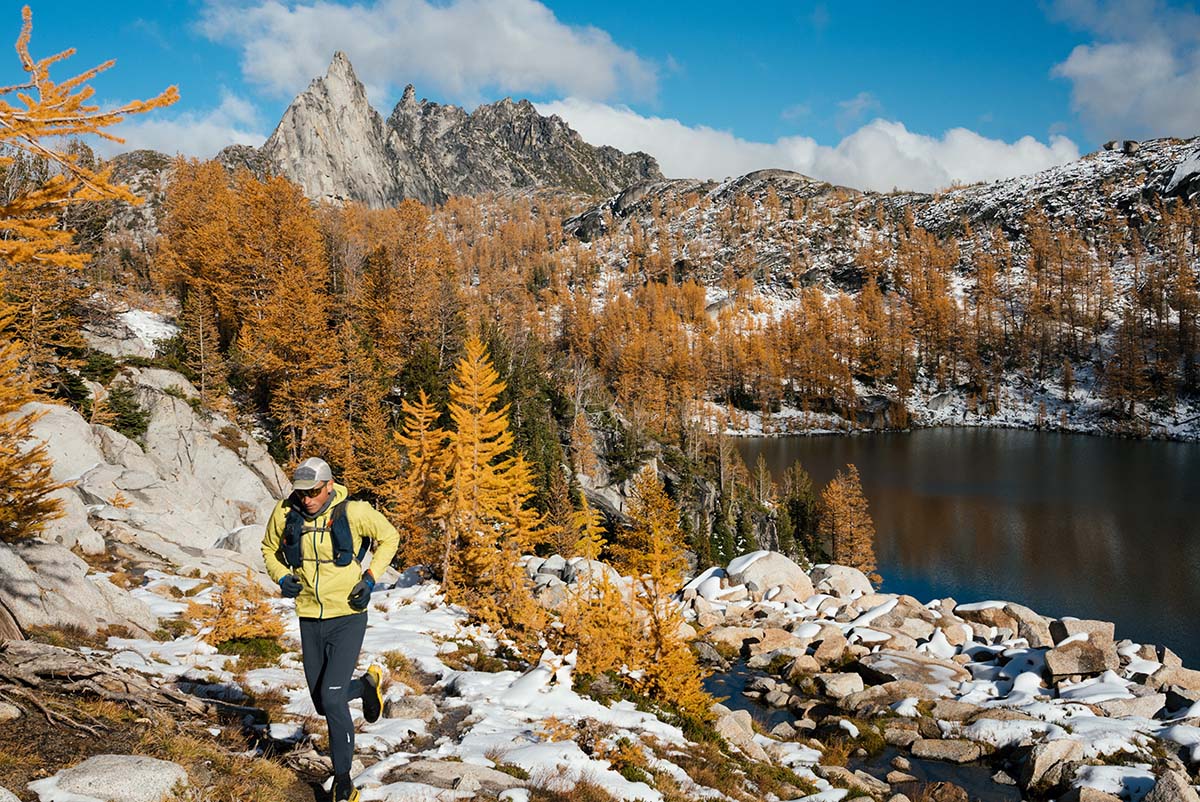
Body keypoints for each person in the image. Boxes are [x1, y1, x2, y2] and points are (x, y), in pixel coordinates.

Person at [261, 457, 400, 802]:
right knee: (323, 702)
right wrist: (280, 576)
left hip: (348, 615)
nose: (307, 499)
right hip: (310, 617)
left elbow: (390, 537)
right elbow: (269, 549)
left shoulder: (353, 512)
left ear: (328, 485)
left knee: (333, 699)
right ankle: (368, 687)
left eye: (314, 492)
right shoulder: (285, 512)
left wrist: (370, 578)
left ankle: (343, 783)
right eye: (301, 493)